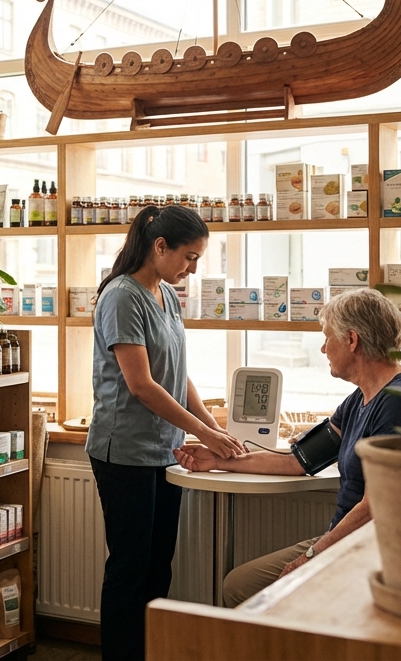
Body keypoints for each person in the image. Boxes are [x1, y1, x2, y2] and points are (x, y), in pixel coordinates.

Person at [176, 288, 401, 607]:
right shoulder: (360, 398)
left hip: (371, 552)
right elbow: (298, 461)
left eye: (327, 338)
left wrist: (313, 555)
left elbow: (376, 506)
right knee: (240, 584)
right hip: (341, 541)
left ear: (352, 340)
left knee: (245, 590)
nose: (323, 349)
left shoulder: (400, 403)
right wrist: (216, 461)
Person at [88, 204, 244, 661]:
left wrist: (213, 428)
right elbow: (141, 385)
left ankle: (149, 652)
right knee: (130, 568)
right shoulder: (121, 296)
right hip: (124, 452)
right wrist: (203, 431)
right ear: (160, 247)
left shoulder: (167, 295)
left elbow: (178, 374)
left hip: (164, 450)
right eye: (189, 257)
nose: (192, 269)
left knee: (158, 567)